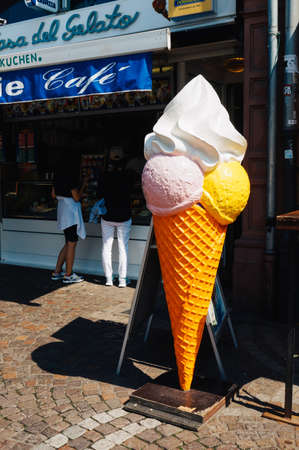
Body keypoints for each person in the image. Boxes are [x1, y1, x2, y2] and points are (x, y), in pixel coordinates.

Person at [98, 149, 135, 288]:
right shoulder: (127, 176)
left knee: (106, 247)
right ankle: (122, 280)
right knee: (122, 247)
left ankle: (108, 278)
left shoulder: (104, 176)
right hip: (124, 215)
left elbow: (99, 193)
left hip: (107, 215)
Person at [51, 152, 88, 283]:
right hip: (70, 211)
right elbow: (76, 197)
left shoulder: (57, 175)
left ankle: (57, 272)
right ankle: (68, 274)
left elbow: (53, 195)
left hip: (62, 209)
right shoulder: (71, 176)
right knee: (72, 243)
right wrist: (83, 185)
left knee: (68, 242)